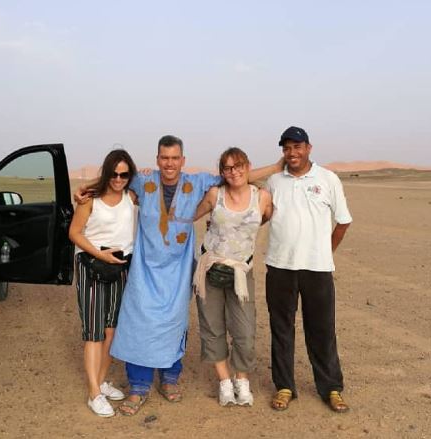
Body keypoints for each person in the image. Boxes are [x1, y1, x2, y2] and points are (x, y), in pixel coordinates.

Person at [94, 135, 279, 416]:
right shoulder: (143, 182)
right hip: (145, 270)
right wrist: (86, 189)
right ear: (157, 160)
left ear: (183, 160)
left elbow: (238, 176)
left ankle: (169, 379)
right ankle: (139, 386)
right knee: (140, 323)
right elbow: (112, 182)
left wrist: (275, 168)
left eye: (175, 158)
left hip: (179, 271)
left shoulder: (199, 182)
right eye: (164, 158)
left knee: (173, 323)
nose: (169, 163)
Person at [264, 126, 352, 413]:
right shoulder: (274, 182)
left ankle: (331, 388)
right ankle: (285, 386)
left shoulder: (327, 179)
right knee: (281, 329)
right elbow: (260, 216)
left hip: (317, 268)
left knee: (322, 330)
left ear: (309, 148)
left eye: (297, 147)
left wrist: (325, 252)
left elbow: (343, 221)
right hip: (280, 266)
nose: (293, 153)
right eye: (287, 148)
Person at [193, 147, 273, 407]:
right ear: (222, 172)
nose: (234, 172)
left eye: (238, 166)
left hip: (241, 272)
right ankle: (225, 382)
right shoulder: (215, 194)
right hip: (209, 269)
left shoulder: (262, 197)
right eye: (228, 168)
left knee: (245, 331)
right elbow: (188, 215)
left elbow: (263, 220)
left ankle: (242, 380)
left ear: (247, 166)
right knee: (212, 327)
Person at [67, 149, 138, 418]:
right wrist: (100, 254)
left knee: (112, 330)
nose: (118, 179)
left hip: (120, 267)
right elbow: (74, 232)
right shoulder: (90, 200)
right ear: (107, 172)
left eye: (124, 174)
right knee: (94, 332)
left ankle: (101, 381)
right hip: (92, 265)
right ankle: (94, 393)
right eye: (114, 174)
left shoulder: (131, 197)